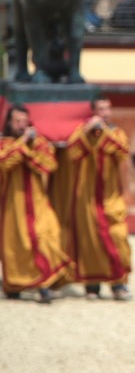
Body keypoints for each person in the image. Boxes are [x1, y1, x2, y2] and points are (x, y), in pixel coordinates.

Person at [62, 96, 132, 300]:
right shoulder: (81, 131)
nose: (105, 113)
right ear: (93, 112)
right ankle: (92, 285)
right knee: (89, 240)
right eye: (100, 109)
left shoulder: (117, 132)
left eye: (107, 109)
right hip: (87, 199)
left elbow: (121, 151)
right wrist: (86, 132)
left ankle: (119, 283)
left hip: (110, 197)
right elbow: (71, 153)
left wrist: (104, 133)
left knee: (118, 236)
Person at [0, 105, 72, 303]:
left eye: (25, 121)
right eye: (17, 121)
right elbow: (5, 163)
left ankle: (44, 284)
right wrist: (22, 144)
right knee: (16, 245)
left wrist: (29, 149)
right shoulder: (4, 143)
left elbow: (49, 165)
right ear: (9, 123)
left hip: (38, 202)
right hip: (13, 205)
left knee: (46, 237)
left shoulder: (38, 143)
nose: (22, 125)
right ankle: (15, 284)